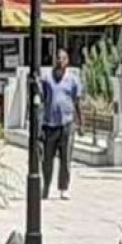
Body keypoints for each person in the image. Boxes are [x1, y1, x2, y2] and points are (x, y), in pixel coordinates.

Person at [40, 47, 83, 200]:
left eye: (63, 58)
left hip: (67, 123)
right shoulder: (46, 78)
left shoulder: (73, 80)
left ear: (67, 61)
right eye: (58, 58)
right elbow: (42, 100)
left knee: (66, 158)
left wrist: (80, 122)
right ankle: (45, 186)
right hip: (50, 124)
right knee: (47, 158)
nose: (60, 61)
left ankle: (63, 188)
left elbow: (77, 101)